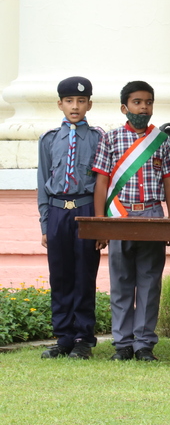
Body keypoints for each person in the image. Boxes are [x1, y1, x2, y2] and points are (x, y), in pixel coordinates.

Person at [92, 81, 170, 362]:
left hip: (152, 214)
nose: (143, 108)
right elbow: (102, 181)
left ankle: (143, 344)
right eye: (137, 102)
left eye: (148, 102)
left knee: (150, 282)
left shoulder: (162, 141)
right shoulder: (110, 139)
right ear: (124, 108)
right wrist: (101, 223)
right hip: (119, 216)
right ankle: (123, 344)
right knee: (121, 282)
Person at [37, 76, 105, 359]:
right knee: (60, 275)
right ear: (60, 104)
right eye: (69, 101)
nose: (75, 106)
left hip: (85, 209)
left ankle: (83, 338)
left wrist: (100, 225)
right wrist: (45, 224)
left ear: (89, 104)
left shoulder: (99, 138)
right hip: (57, 212)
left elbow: (103, 183)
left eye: (80, 101)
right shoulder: (49, 139)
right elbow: (42, 182)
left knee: (84, 274)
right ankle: (63, 336)